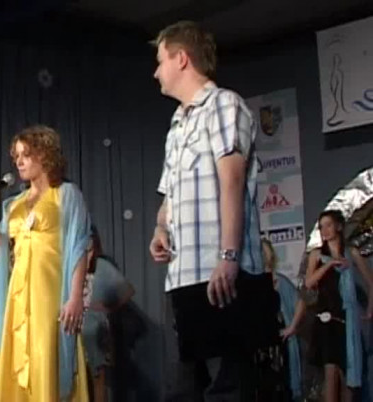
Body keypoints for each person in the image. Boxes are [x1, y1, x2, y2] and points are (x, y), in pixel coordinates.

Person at [148, 20, 278, 400]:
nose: (156, 72)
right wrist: (160, 229)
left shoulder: (223, 105)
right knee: (182, 389)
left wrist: (228, 256)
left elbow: (231, 181)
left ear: (181, 59)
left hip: (220, 276)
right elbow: (168, 199)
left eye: (160, 61)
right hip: (182, 278)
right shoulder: (176, 126)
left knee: (227, 388)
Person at [0, 125, 91, 401]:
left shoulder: (66, 194)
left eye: (26, 155)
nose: (19, 162)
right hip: (17, 300)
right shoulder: (13, 205)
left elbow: (79, 247)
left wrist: (75, 296)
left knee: (46, 359)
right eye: (16, 156)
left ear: (45, 156)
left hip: (50, 297)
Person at [304, 209, 373, 402]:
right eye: (321, 227)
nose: (325, 230)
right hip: (326, 320)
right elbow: (309, 282)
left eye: (328, 225)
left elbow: (371, 283)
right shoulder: (317, 255)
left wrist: (369, 310)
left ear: (339, 226)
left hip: (347, 321)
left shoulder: (351, 253)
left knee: (348, 377)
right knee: (330, 373)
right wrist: (329, 264)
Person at [81, 226, 135, 402]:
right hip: (74, 330)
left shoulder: (102, 267)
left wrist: (102, 308)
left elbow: (126, 291)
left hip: (95, 331)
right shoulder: (68, 265)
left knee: (98, 379)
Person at [260, 238, 306, 400]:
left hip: (281, 346)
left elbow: (301, 302)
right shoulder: (252, 285)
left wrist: (292, 327)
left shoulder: (280, 281)